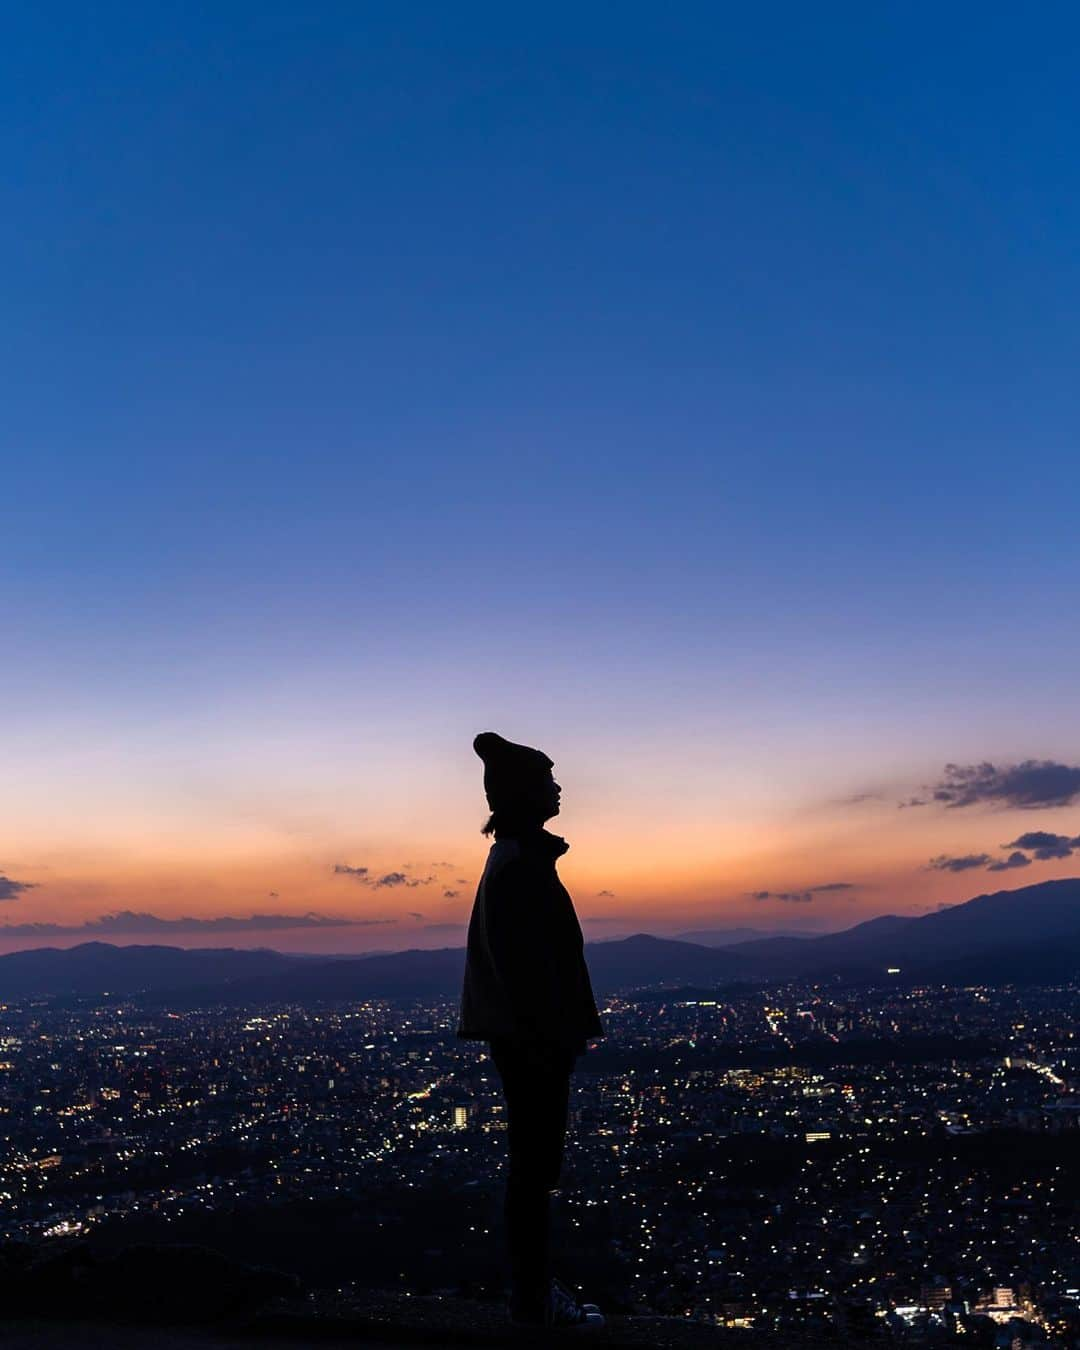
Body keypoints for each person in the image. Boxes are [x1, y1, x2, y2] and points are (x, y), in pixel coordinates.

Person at [457, 731, 606, 1329]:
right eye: (548, 779)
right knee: (535, 1168)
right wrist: (554, 1036)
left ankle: (534, 1293)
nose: (559, 786)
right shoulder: (521, 867)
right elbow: (530, 969)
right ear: (526, 793)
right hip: (533, 1040)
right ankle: (535, 1301)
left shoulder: (517, 859)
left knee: (534, 1166)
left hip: (527, 1037)